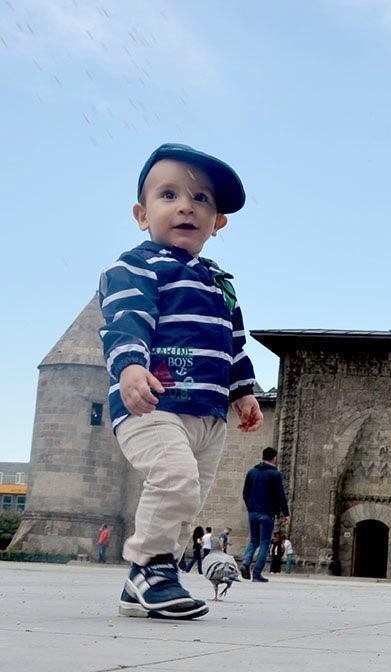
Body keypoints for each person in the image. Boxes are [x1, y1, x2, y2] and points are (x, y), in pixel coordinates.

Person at [99, 143, 262, 620]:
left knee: (187, 497)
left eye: (201, 199)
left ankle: (141, 586)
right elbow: (127, 319)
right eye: (168, 194)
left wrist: (243, 391)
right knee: (174, 479)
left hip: (208, 415)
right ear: (141, 212)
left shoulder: (220, 283)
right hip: (155, 405)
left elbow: (233, 342)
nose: (186, 206)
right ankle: (152, 567)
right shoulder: (135, 267)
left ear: (219, 222)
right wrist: (130, 366)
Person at [241, 447, 290, 582]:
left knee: (253, 540)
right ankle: (256, 573)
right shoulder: (275, 474)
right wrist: (286, 513)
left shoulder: (252, 472)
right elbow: (281, 495)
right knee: (264, 543)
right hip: (267, 513)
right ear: (274, 458)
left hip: (253, 512)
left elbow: (245, 493)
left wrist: (251, 507)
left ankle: (245, 562)